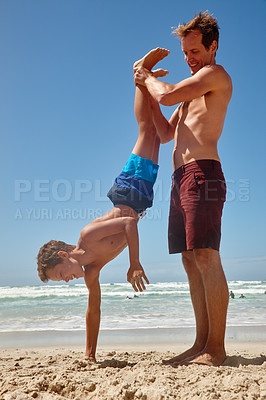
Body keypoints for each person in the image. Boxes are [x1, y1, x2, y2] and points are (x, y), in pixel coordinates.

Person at [37, 48, 170, 362]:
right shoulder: (91, 271)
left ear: (63, 255)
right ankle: (152, 85)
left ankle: (140, 74)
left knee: (146, 130)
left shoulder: (87, 236)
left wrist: (134, 263)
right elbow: (93, 310)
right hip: (141, 199)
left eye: (60, 275)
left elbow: (127, 224)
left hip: (128, 191)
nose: (66, 280)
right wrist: (89, 355)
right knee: (160, 133)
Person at [134, 11, 232, 366]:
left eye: (194, 51)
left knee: (206, 255)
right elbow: (162, 132)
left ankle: (216, 350)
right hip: (180, 179)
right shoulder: (192, 91)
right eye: (185, 53)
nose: (189, 59)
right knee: (191, 261)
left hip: (203, 173)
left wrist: (148, 78)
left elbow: (169, 94)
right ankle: (201, 343)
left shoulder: (214, 75)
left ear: (213, 47)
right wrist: (143, 87)